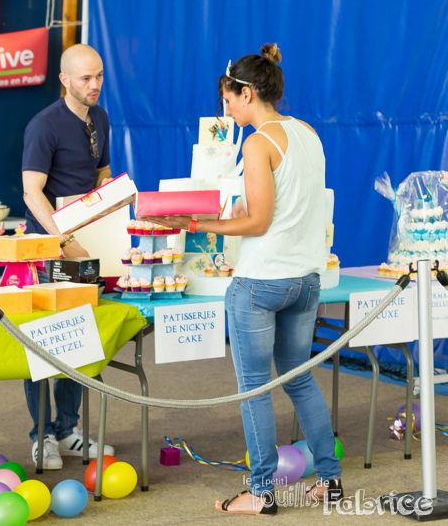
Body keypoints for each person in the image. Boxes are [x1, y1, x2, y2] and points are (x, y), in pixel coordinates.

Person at [144, 43, 342, 515]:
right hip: (306, 279)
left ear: (248, 93)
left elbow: (257, 223)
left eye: (228, 99)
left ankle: (261, 491)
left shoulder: (257, 143)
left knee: (254, 386)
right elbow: (288, 210)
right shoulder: (308, 133)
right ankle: (330, 483)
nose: (224, 109)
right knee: (300, 380)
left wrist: (193, 224)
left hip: (261, 282)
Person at [20, 43, 115, 469]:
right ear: (64, 80)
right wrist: (63, 240)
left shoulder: (101, 117)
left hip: (87, 246)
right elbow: (31, 191)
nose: (94, 85)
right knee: (41, 345)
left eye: (98, 76)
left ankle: (69, 430)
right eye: (85, 79)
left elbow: (100, 174)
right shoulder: (44, 125)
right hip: (47, 251)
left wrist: (111, 212)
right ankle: (41, 436)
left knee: (80, 341)